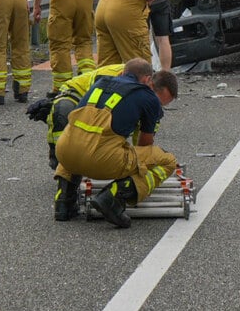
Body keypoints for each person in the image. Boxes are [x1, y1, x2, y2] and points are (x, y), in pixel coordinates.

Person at [51, 58, 179, 227]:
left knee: (78, 139)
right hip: (99, 160)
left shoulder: (100, 82)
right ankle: (113, 197)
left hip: (64, 154)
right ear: (148, 80)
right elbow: (144, 146)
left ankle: (63, 202)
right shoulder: (148, 97)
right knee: (167, 160)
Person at [28, 62, 127, 171]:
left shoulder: (140, 85)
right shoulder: (107, 77)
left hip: (98, 102)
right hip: (77, 92)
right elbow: (94, 107)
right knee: (62, 112)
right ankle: (60, 161)